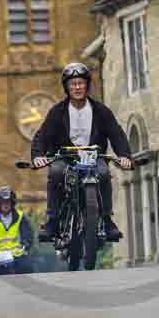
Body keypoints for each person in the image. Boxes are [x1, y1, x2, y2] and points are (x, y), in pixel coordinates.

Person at [31, 62, 132, 240]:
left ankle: (107, 221)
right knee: (55, 172)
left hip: (93, 157)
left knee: (103, 173)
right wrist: (38, 156)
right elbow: (43, 135)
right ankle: (53, 221)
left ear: (86, 85)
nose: (77, 87)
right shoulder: (57, 112)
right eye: (73, 84)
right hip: (66, 157)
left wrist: (124, 156)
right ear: (67, 87)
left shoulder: (101, 111)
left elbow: (116, 134)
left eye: (80, 83)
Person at [0, 186, 34, 275]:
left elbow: (28, 233)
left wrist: (26, 244)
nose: (6, 205)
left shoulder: (20, 216)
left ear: (12, 203)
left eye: (8, 202)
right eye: (3, 202)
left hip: (17, 255)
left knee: (28, 268)